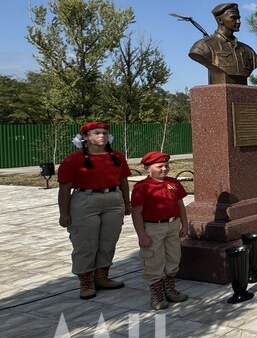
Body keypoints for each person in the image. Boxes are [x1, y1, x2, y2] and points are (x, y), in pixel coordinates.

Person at [57, 121, 132, 299]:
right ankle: (86, 281)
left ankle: (102, 276)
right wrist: (64, 213)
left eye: (105, 133)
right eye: (97, 133)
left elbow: (123, 181)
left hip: (113, 200)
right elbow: (65, 189)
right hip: (85, 200)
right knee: (85, 243)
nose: (102, 136)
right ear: (85, 137)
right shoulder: (73, 160)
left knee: (108, 240)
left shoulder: (117, 156)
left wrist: (126, 203)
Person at [130, 151, 189, 310]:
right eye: (160, 166)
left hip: (173, 225)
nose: (164, 169)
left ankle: (169, 288)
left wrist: (185, 224)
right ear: (147, 168)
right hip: (153, 227)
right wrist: (142, 235)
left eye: (166, 165)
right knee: (154, 259)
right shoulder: (142, 187)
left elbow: (180, 206)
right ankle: (157, 293)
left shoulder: (174, 183)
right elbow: (137, 213)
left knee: (173, 256)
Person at [187, 2, 257, 85]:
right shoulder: (202, 46)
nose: (238, 22)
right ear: (220, 20)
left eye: (239, 18)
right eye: (233, 18)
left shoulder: (248, 50)